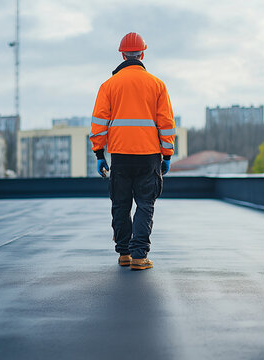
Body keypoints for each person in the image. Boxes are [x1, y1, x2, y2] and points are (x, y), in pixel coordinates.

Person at [90, 32, 176, 271]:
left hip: (120, 155)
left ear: (122, 53)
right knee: (145, 204)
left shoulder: (108, 85)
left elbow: (98, 124)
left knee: (120, 203)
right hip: (149, 156)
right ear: (143, 53)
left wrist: (99, 155)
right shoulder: (157, 85)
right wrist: (167, 155)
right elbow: (166, 123)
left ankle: (124, 254)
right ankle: (139, 256)